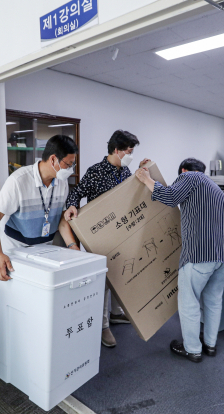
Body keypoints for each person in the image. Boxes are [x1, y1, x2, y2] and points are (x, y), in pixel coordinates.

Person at [135, 158, 224, 363]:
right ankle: (209, 345)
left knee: (189, 300)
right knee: (213, 300)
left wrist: (146, 179)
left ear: (183, 170)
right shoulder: (214, 189)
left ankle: (192, 349)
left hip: (201, 254)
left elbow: (170, 196)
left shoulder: (189, 177)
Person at [64, 130, 150, 348]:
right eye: (129, 151)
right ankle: (103, 325)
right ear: (116, 150)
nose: (130, 154)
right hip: (99, 235)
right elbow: (76, 193)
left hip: (120, 232)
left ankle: (116, 313)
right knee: (103, 279)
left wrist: (141, 171)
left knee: (120, 272)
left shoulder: (126, 170)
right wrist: (72, 206)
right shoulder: (96, 171)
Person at [0, 135, 80, 282]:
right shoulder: (18, 181)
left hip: (45, 250)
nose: (70, 169)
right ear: (53, 159)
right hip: (15, 252)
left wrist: (72, 245)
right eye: (68, 165)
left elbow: (61, 218)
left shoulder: (62, 183)